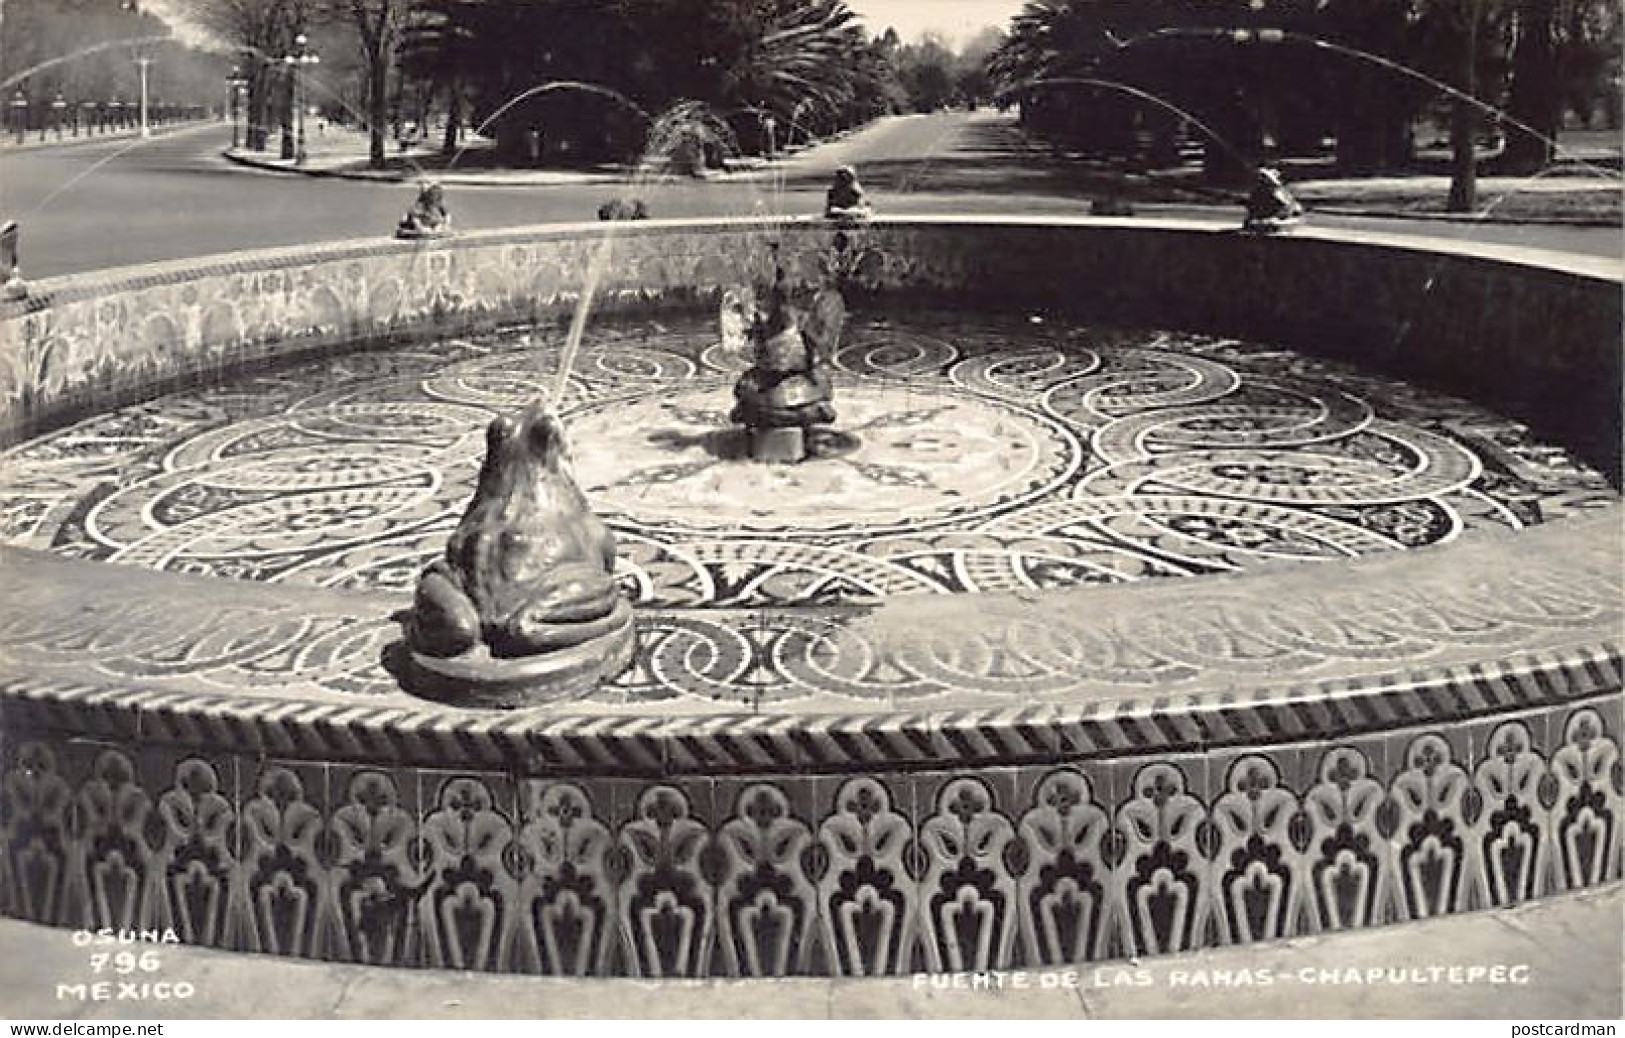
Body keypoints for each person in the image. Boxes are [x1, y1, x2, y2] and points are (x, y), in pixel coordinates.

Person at [1243, 166, 1304, 233]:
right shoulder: (1258, 192)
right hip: (1263, 219)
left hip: (1276, 220)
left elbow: (1289, 208)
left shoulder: (1279, 192)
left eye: (1264, 178)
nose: (1261, 179)